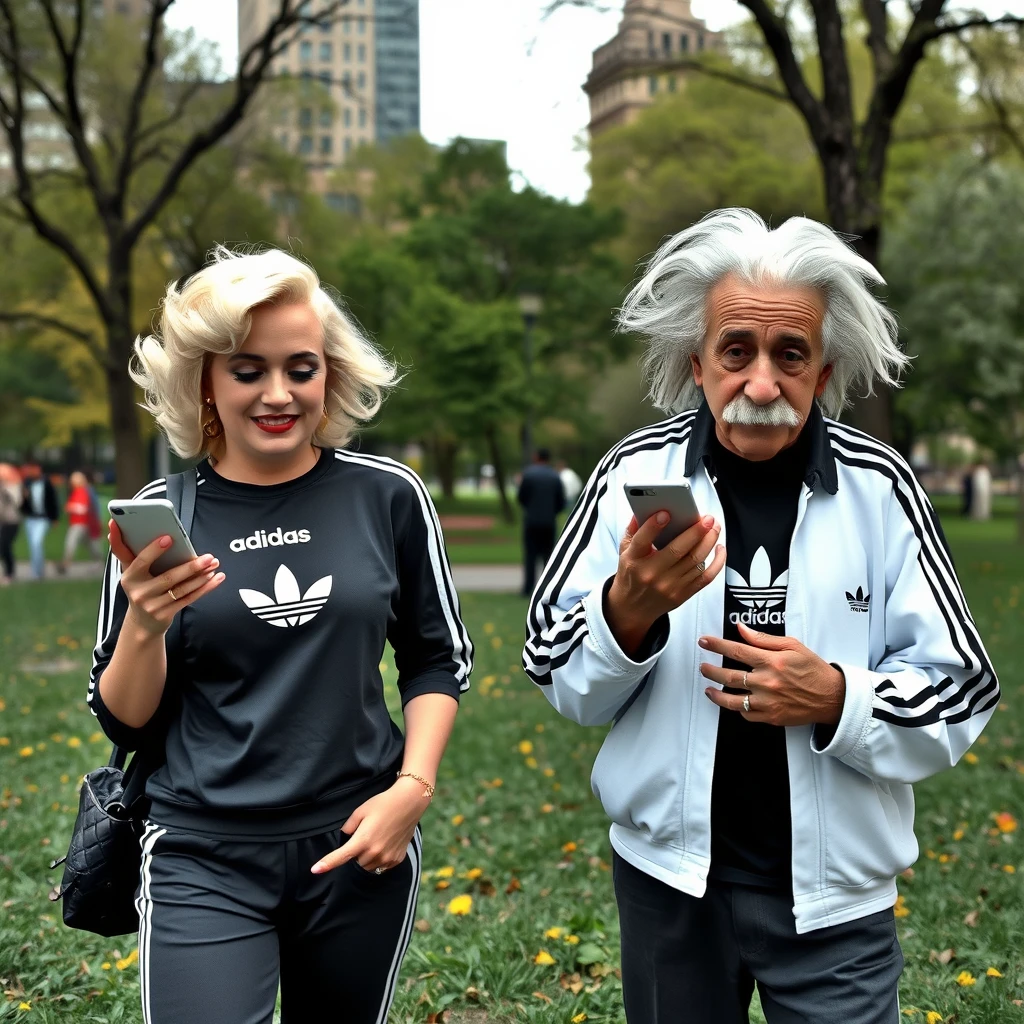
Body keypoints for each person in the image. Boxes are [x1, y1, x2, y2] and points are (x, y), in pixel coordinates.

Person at [523, 209, 999, 1024]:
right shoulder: (631, 477)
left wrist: (837, 699)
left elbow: (961, 689)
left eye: (791, 355)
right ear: (697, 362)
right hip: (669, 885)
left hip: (834, 901)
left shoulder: (880, 489)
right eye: (736, 351)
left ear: (824, 370)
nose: (763, 384)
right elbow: (553, 665)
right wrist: (627, 612)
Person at [87, 247, 474, 1024]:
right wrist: (145, 625)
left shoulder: (387, 495)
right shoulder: (164, 512)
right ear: (204, 381)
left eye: (301, 368)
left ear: (329, 373)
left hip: (359, 844)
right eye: (246, 370)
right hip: (203, 850)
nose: (278, 393)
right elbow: (121, 718)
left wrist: (412, 791)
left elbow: (436, 659)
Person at [517, 447, 565, 598]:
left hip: (531, 521)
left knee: (530, 555)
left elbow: (521, 498)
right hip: (549, 521)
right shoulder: (555, 476)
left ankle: (528, 587)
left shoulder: (529, 475)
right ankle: (547, 588)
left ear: (536, 457)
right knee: (548, 556)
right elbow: (561, 502)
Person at [19, 462, 59, 579]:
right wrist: (24, 497)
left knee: (36, 542)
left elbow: (53, 500)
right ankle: (37, 570)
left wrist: (54, 518)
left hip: (43, 518)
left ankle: (38, 572)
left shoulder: (46, 483)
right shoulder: (27, 483)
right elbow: (22, 504)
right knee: (33, 545)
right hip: (31, 518)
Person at [58, 470, 103, 573]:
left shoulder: (83, 491)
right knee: (90, 544)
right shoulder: (78, 491)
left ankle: (65, 564)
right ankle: (98, 562)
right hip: (81, 523)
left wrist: (70, 507)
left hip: (81, 523)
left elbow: (83, 508)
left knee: (72, 542)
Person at [0, 463, 22, 585]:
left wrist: (5, 490)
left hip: (12, 521)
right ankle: (7, 572)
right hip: (2, 521)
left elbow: (17, 502)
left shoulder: (13, 487)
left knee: (4, 546)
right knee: (3, 547)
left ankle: (9, 573)